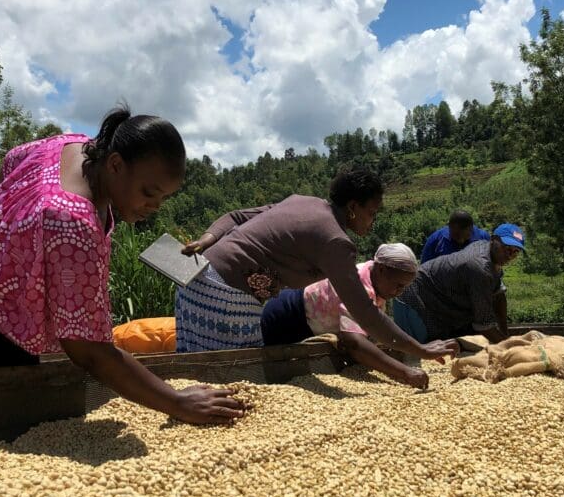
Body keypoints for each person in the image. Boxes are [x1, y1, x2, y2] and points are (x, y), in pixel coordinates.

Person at [0, 108, 245, 426]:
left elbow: (11, 160)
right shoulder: (72, 221)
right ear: (114, 164)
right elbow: (90, 352)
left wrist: (8, 236)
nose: (153, 206)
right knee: (4, 433)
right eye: (147, 192)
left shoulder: (75, 145)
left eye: (163, 198)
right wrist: (177, 402)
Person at [177, 167, 460, 365]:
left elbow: (236, 216)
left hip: (197, 279)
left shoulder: (302, 202)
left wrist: (206, 240)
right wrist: (420, 350)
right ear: (352, 207)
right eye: (371, 213)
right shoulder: (335, 241)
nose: (372, 222)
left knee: (193, 373)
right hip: (225, 297)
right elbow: (366, 314)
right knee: (230, 377)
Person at [260, 243, 429, 389]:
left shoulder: (375, 278)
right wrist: (406, 372)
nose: (399, 292)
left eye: (404, 287)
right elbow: (354, 343)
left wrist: (419, 351)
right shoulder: (358, 285)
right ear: (382, 270)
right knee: (282, 373)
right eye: (398, 285)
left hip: (310, 320)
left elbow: (379, 330)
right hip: (286, 318)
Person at [393, 223, 525, 344]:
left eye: (515, 252)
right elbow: (484, 325)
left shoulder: (489, 253)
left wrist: (505, 334)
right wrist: (508, 348)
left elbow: (499, 295)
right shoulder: (480, 267)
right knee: (416, 350)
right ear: (493, 239)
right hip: (413, 298)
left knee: (440, 346)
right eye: (506, 248)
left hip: (438, 302)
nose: (509, 255)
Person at [420, 209, 491, 263]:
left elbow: (493, 265)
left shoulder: (483, 238)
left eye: (462, 235)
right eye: (455, 235)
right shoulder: (436, 240)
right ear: (449, 227)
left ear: (470, 229)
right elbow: (425, 268)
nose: (460, 240)